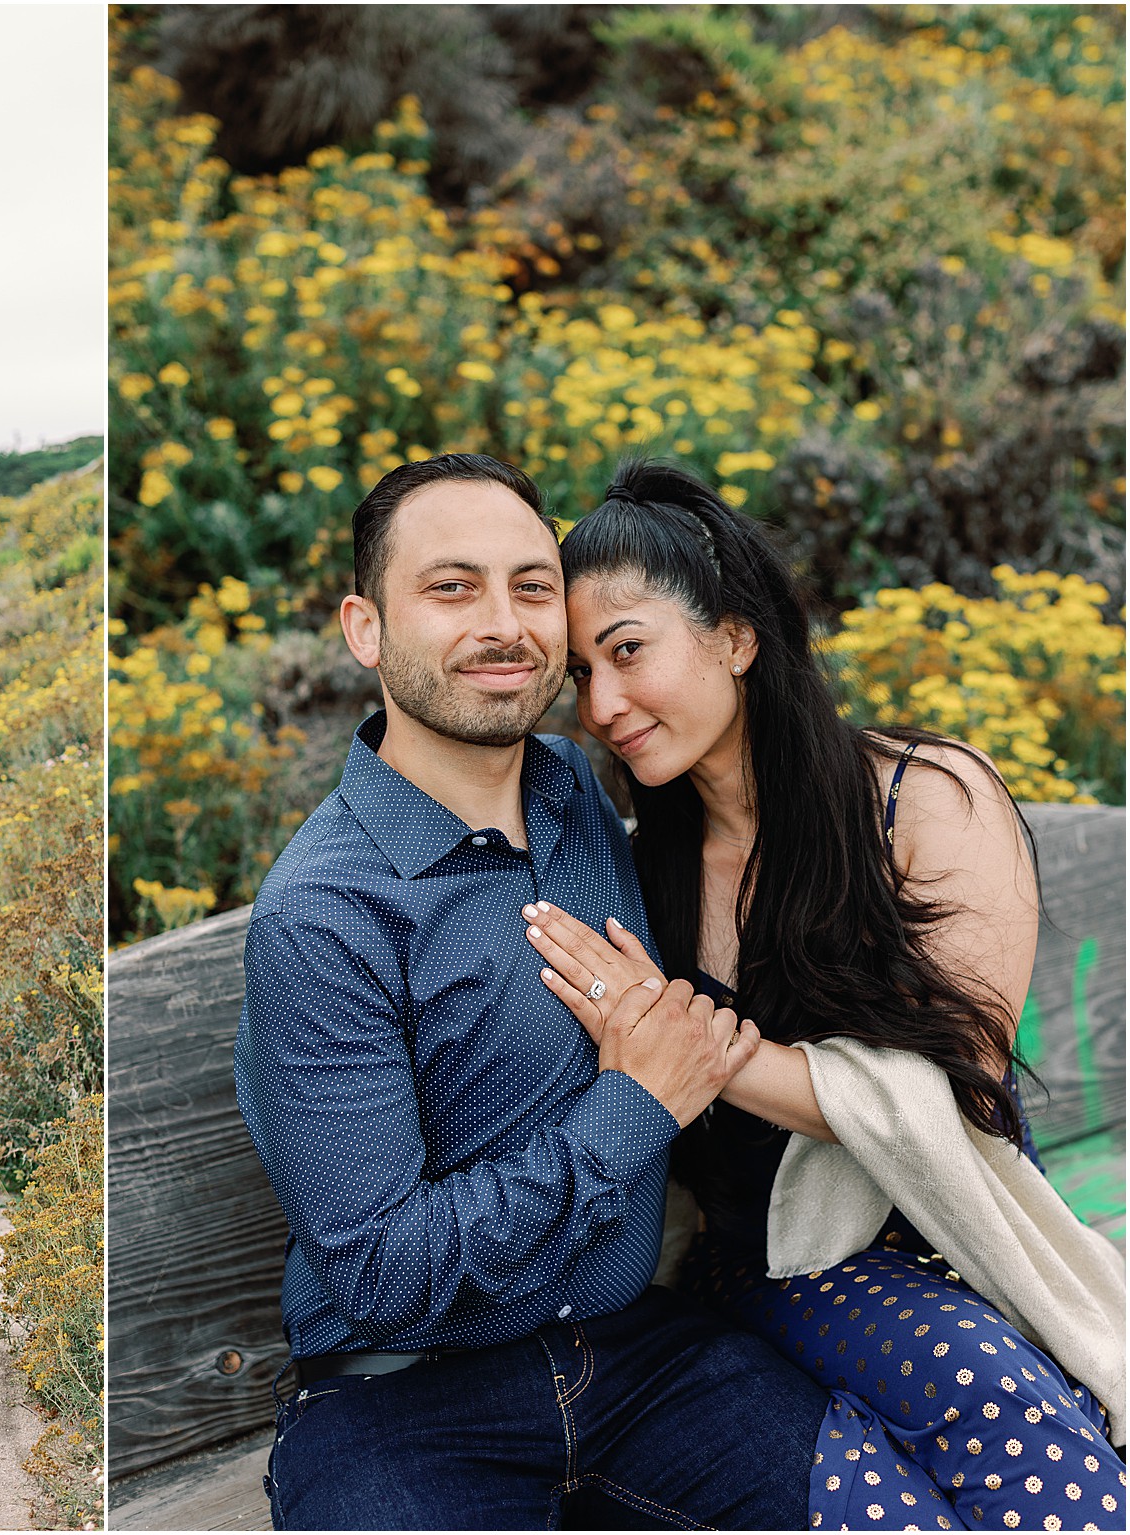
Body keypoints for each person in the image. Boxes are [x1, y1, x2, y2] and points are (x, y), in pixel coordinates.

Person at [235, 452, 834, 1531]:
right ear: (364, 629)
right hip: (403, 1397)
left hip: (645, 1357)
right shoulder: (321, 913)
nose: (503, 624)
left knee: (884, 1511)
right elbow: (379, 1270)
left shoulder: (575, 790)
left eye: (529, 585)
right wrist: (634, 1104)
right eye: (451, 587)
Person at [525, 458, 1126, 1529]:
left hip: (964, 1222)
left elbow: (962, 1076)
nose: (602, 705)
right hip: (782, 1259)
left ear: (735, 636)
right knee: (1007, 1412)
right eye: (579, 674)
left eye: (625, 651)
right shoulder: (637, 863)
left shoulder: (920, 799)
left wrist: (698, 1044)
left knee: (1051, 1414)